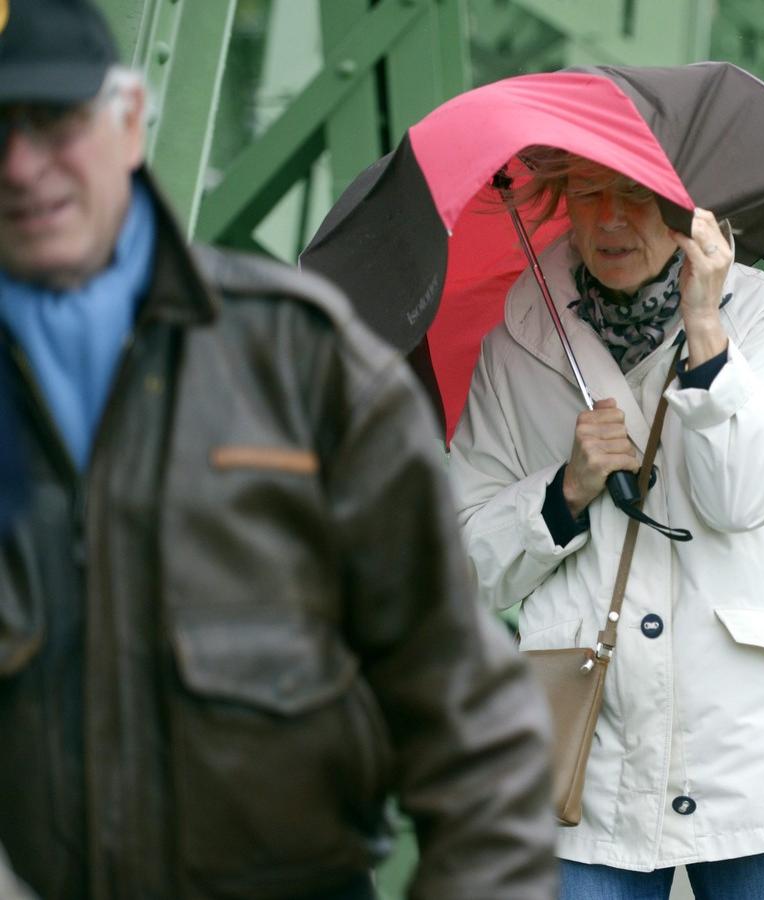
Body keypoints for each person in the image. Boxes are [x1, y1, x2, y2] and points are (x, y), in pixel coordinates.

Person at [0, 1, 556, 896]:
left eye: (55, 121)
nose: (22, 166)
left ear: (133, 123)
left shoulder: (299, 364)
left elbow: (474, 734)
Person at [449, 147, 764, 898]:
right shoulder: (519, 342)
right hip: (588, 754)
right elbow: (469, 561)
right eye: (589, 194)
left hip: (746, 744)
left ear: (686, 207)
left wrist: (706, 333)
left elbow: (749, 494)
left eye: (636, 196)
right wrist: (563, 491)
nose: (611, 220)